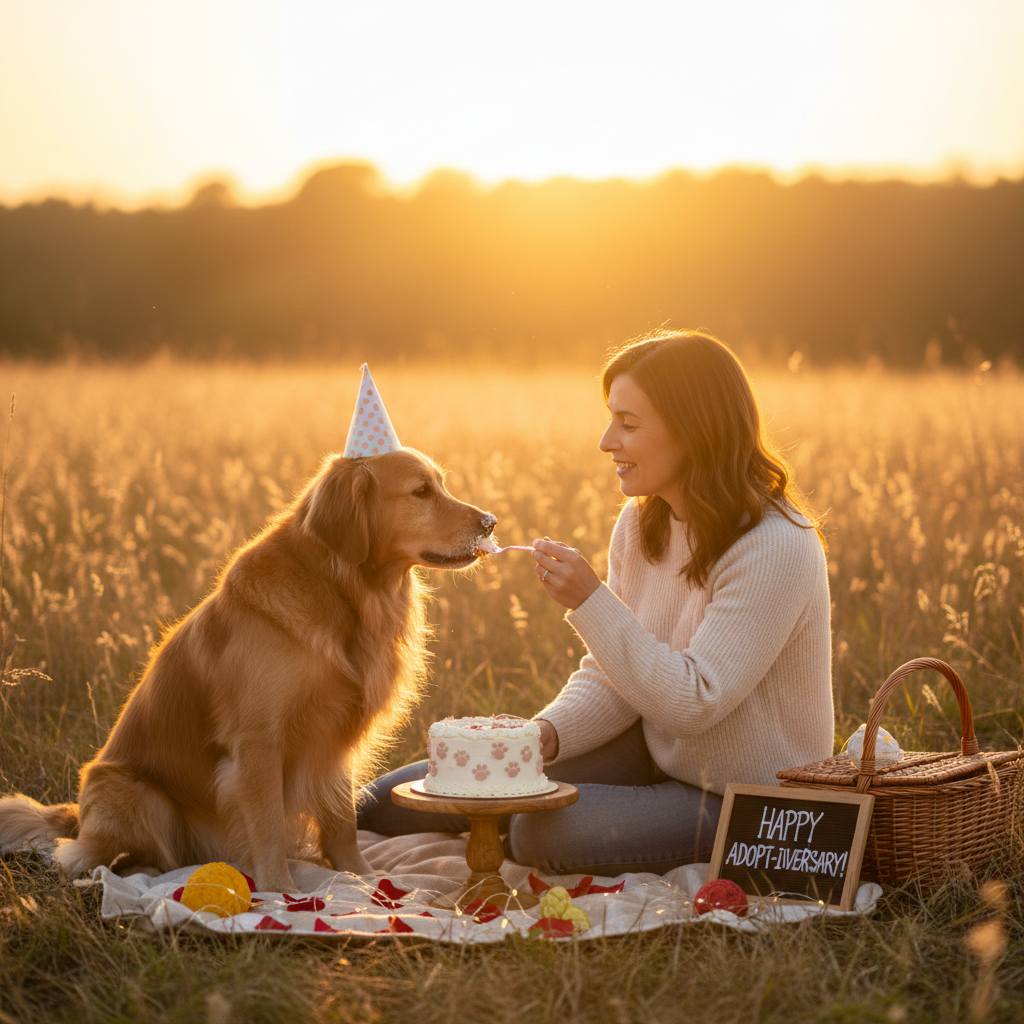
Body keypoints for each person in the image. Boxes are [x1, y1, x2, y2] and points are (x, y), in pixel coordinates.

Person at [358, 330, 834, 876]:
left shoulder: (776, 547)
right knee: (399, 796)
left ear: (696, 433)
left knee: (542, 830)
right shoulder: (641, 522)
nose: (607, 441)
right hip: (656, 753)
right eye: (612, 419)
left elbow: (695, 702)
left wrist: (590, 602)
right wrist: (538, 738)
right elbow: (615, 678)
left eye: (629, 425)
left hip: (743, 797)